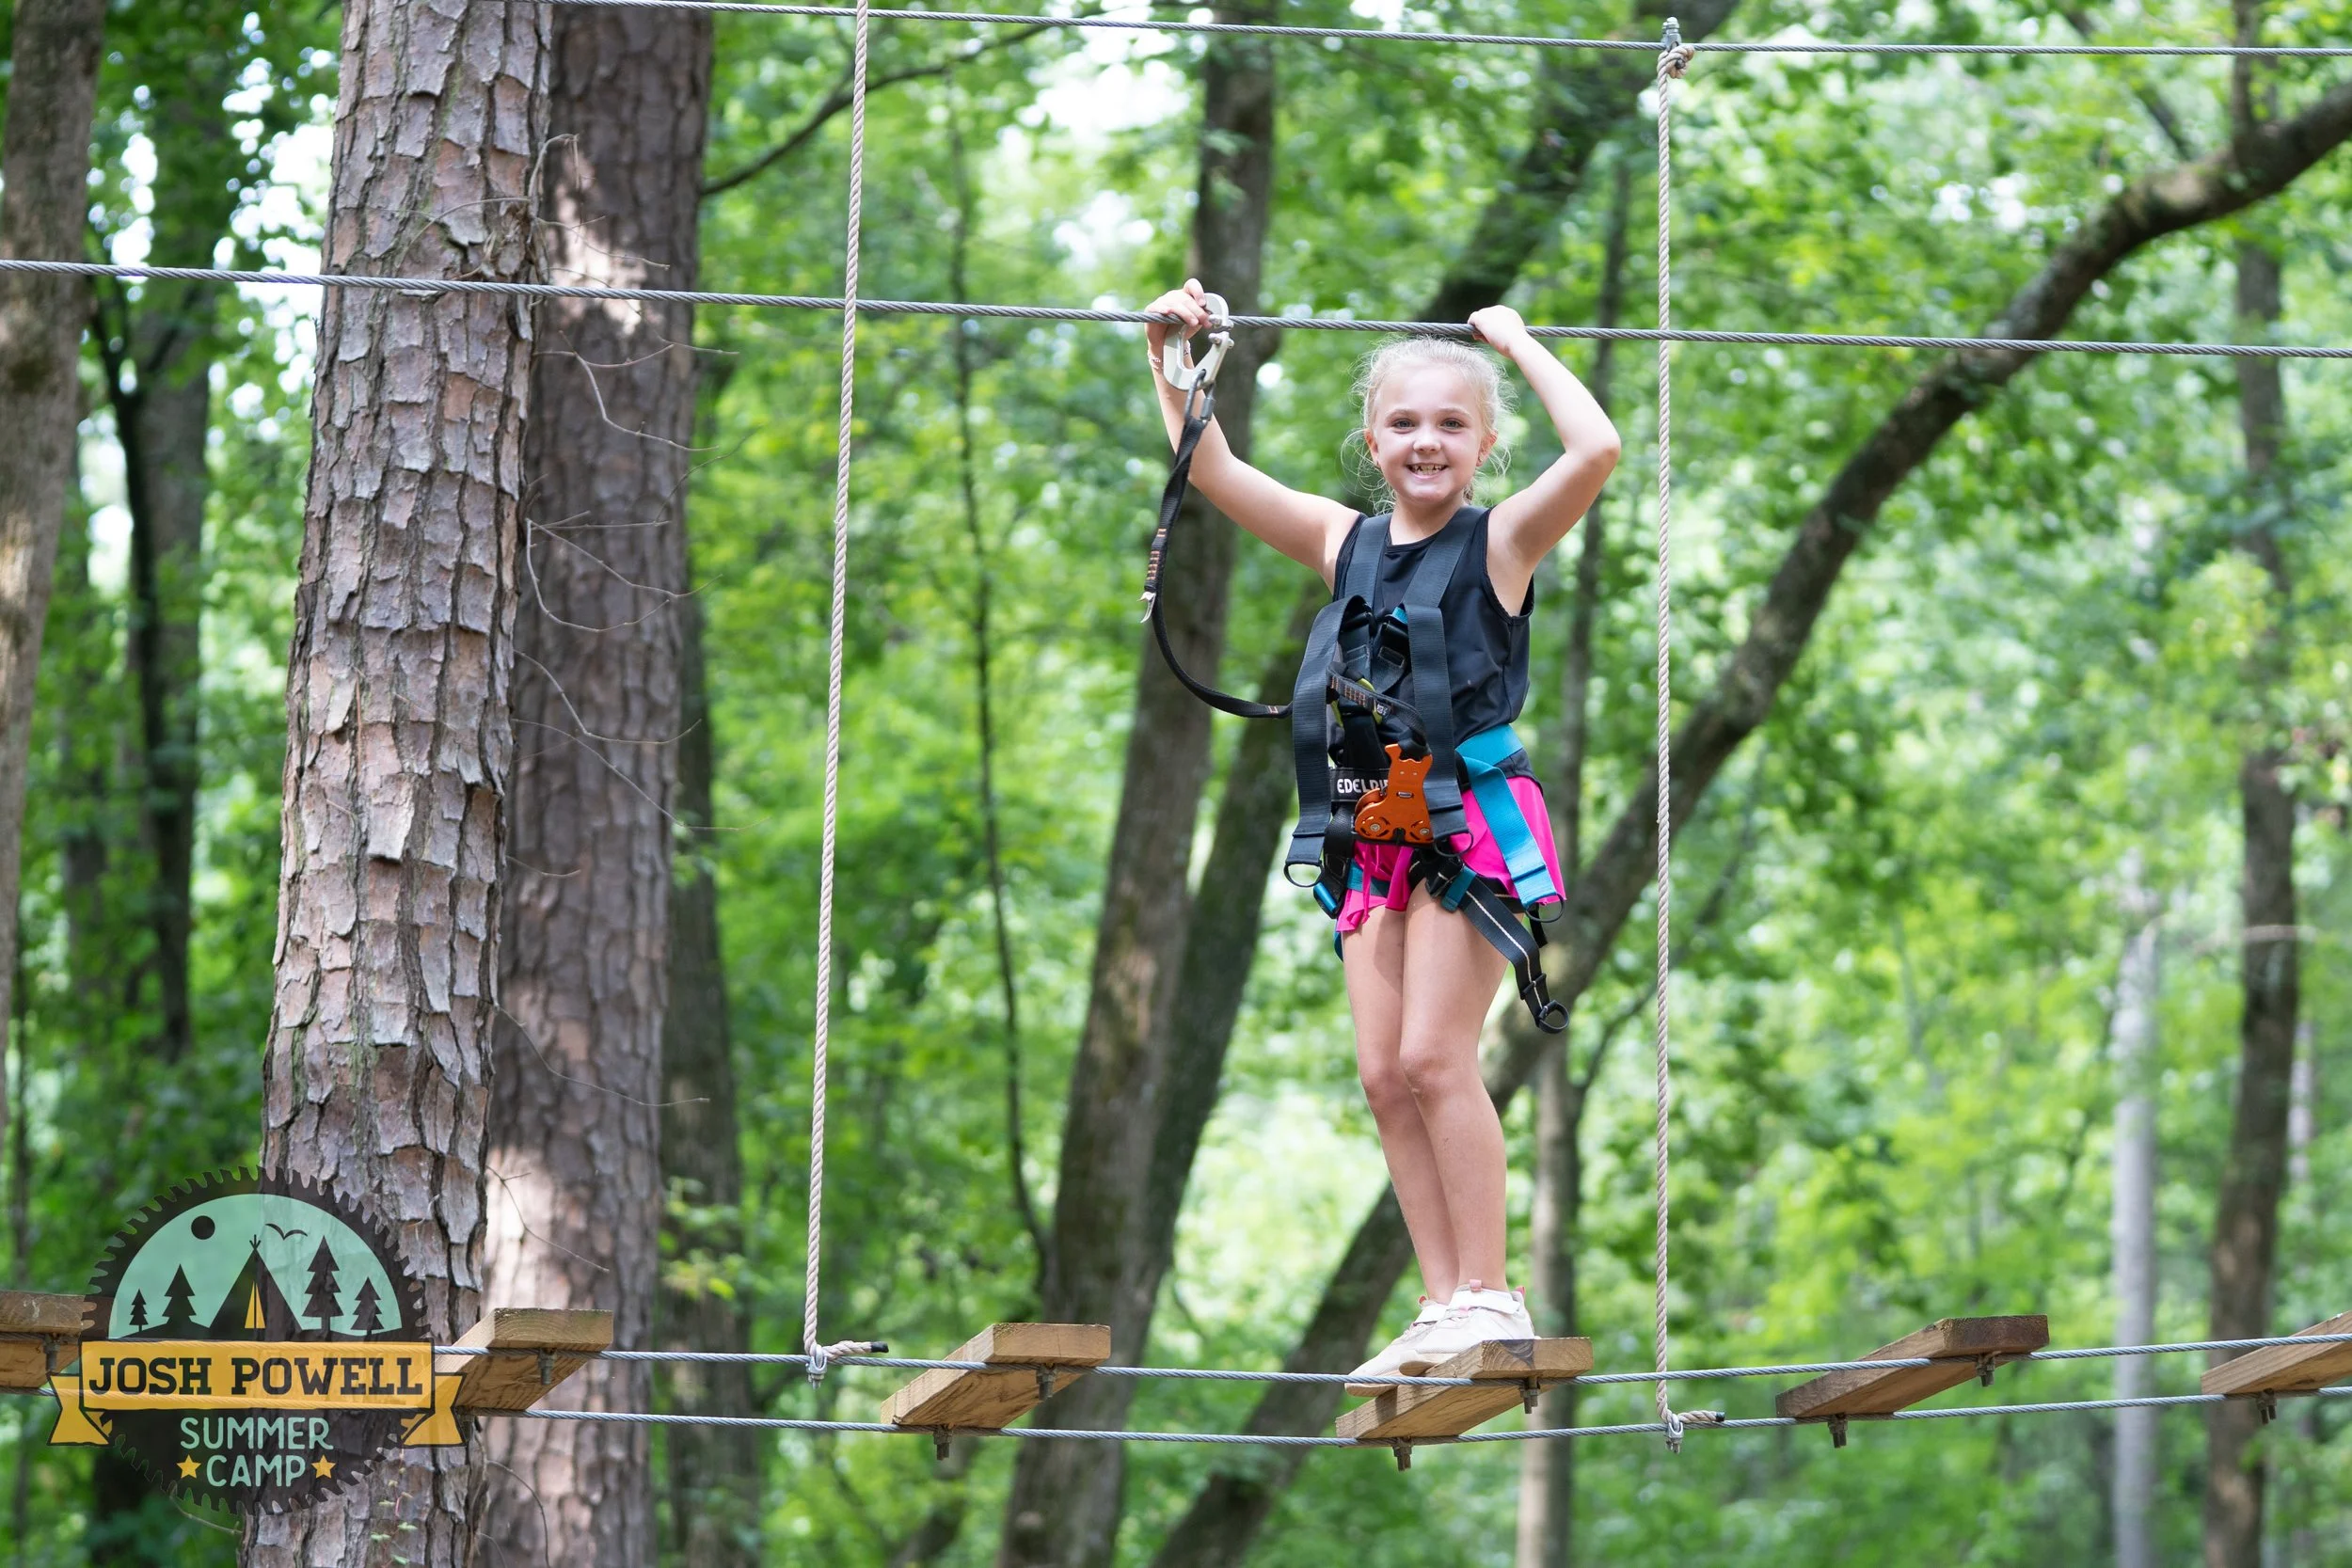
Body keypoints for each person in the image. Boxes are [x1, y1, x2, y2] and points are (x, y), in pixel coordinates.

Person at [1142, 278, 1621, 1387]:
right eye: (1404, 422)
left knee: (1430, 1054)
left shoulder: (1501, 542)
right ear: (1371, 440)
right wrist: (1171, 356)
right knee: (1378, 1071)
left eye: (1452, 424)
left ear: (1485, 444)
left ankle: (1490, 1292)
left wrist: (1515, 342)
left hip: (1467, 822)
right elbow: (1208, 471)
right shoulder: (1341, 541)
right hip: (1377, 822)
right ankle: (1442, 1297)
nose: (1426, 440)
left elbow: (1592, 448)